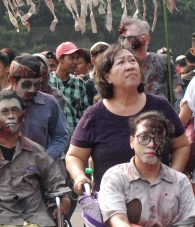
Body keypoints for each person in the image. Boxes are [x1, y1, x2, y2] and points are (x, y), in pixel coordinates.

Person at [66, 43, 190, 194]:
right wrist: (79, 177)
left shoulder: (160, 106)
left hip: (158, 201)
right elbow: (74, 155)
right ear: (107, 76)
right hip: (110, 203)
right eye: (121, 62)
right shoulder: (94, 115)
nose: (130, 66)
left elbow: (181, 146)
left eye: (132, 61)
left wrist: (172, 178)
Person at [0, 90, 70, 226]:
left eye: (16, 111)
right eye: (4, 112)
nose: (11, 116)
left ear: (23, 116)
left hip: (36, 218)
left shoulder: (36, 152)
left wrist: (63, 196)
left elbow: (55, 181)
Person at [0, 54, 69, 163]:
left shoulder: (49, 104)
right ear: (12, 80)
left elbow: (61, 137)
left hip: (38, 173)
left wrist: (44, 159)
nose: (32, 89)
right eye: (26, 84)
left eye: (36, 84)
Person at [99, 111, 195, 227]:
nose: (151, 144)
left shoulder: (181, 182)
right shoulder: (114, 177)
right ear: (132, 141)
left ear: (166, 143)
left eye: (159, 138)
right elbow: (118, 222)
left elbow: (189, 221)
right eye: (144, 137)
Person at [118, 16, 184, 112]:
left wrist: (176, 122)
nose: (125, 42)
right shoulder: (118, 66)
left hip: (162, 120)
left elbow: (177, 95)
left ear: (146, 39)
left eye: (130, 38)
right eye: (122, 38)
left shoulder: (163, 61)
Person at [49, 41, 95, 135]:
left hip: (74, 137)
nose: (75, 62)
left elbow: (85, 114)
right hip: (52, 138)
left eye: (77, 58)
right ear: (60, 59)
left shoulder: (80, 84)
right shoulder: (48, 82)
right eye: (71, 58)